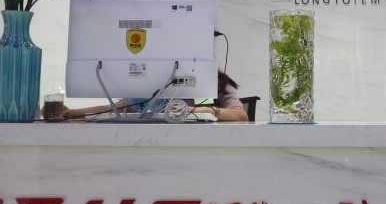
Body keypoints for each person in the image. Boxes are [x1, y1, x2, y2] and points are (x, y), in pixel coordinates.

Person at [61, 70, 249, 122]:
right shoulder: (159, 80)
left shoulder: (217, 81)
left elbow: (241, 115)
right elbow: (121, 107)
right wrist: (72, 113)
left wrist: (199, 111)